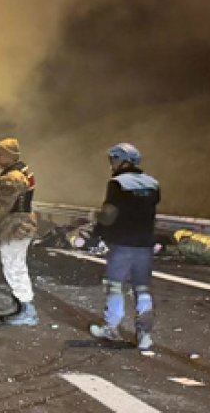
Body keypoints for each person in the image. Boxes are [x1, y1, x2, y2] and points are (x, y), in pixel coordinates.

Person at [89, 143, 161, 352]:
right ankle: (145, 334)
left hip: (122, 243)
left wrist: (96, 229)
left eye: (113, 159)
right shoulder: (153, 184)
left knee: (115, 285)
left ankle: (111, 327)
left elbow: (110, 214)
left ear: (122, 160)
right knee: (142, 288)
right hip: (144, 245)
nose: (111, 164)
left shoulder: (117, 183)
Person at [0, 138, 40, 326]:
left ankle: (27, 310)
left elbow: (2, 206)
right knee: (14, 264)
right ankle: (17, 305)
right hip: (22, 223)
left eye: (0, 154)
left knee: (14, 266)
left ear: (9, 156)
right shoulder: (24, 170)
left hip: (15, 226)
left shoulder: (11, 177)